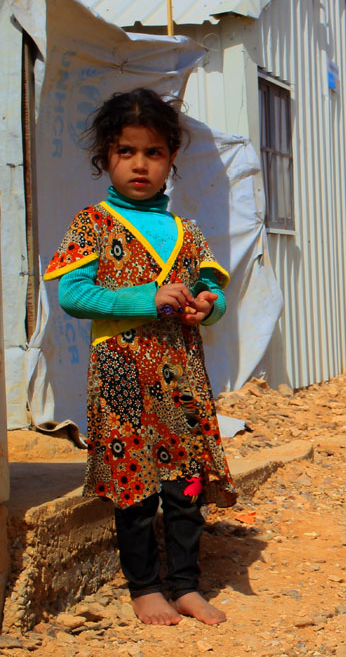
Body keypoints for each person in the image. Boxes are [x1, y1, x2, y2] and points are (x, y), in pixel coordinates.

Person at [43, 88, 236, 626]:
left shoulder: (187, 231)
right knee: (134, 485)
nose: (140, 164)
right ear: (105, 156)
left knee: (187, 483)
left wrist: (206, 305)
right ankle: (144, 588)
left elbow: (214, 293)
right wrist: (144, 297)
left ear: (172, 157)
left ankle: (186, 585)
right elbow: (73, 295)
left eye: (153, 152)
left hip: (181, 377)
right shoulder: (93, 223)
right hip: (122, 373)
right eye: (126, 151)